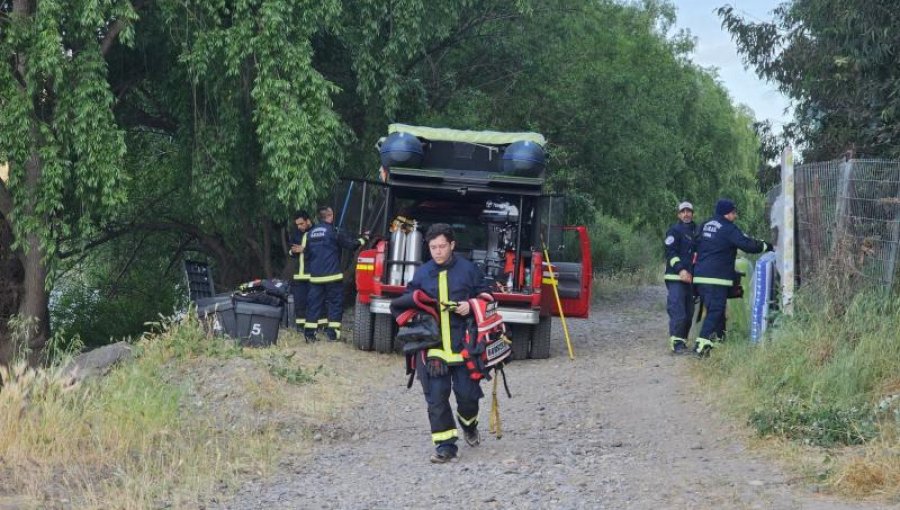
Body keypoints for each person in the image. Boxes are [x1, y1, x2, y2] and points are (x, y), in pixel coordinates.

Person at [403, 223, 491, 463]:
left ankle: (469, 425)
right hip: (433, 350)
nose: (438, 251)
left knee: (467, 398)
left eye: (442, 246)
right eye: (433, 247)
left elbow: (488, 298)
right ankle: (445, 447)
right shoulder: (422, 273)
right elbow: (407, 302)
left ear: (452, 245)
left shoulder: (469, 270)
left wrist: (471, 305)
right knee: (436, 399)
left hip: (465, 348)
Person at [693, 198, 773, 356]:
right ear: (726, 213)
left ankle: (718, 341)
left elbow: (695, 245)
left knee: (716, 310)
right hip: (716, 278)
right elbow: (747, 244)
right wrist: (767, 245)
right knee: (716, 310)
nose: (735, 216)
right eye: (733, 213)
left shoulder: (704, 225)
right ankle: (701, 344)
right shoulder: (728, 228)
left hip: (700, 276)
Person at [304, 205, 367, 342]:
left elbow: (307, 255)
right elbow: (351, 245)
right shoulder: (334, 232)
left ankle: (309, 335)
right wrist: (363, 239)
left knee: (314, 305)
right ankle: (332, 335)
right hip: (333, 276)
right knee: (335, 303)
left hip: (315, 277)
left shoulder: (311, 233)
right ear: (330, 216)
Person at [663, 201, 698, 354]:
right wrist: (681, 270)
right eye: (683, 211)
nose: (686, 214)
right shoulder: (673, 231)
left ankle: (682, 342)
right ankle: (676, 344)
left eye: (688, 211)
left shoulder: (697, 231)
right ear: (678, 214)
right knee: (678, 311)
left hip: (691, 279)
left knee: (689, 313)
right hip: (676, 278)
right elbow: (670, 253)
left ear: (692, 213)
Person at [289, 211, 313, 333]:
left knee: (314, 302)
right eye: (297, 224)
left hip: (313, 275)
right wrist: (294, 251)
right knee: (299, 302)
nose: (299, 226)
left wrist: (305, 249)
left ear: (308, 221)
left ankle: (315, 328)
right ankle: (300, 327)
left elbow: (320, 252)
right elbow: (290, 251)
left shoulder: (316, 232)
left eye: (301, 223)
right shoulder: (296, 234)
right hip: (299, 275)